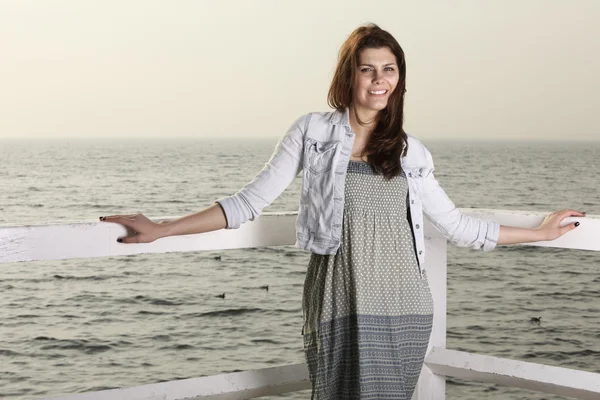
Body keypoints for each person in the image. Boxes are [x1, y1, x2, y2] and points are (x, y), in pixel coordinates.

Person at [100, 24, 585, 400]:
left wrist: (540, 233)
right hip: (335, 300)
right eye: (368, 68)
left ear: (400, 77)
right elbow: (248, 202)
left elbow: (457, 226)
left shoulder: (410, 152)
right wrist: (164, 229)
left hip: (401, 306)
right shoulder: (311, 132)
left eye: (389, 69)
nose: (379, 80)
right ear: (348, 74)